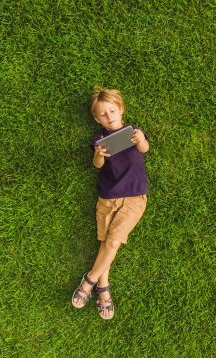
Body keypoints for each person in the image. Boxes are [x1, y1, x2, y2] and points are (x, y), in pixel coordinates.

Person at [71, 87, 149, 320]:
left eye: (112, 111)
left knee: (113, 241)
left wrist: (142, 139)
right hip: (107, 197)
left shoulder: (133, 132)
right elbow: (97, 165)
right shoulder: (99, 139)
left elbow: (145, 149)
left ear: (121, 109)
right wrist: (99, 154)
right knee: (106, 243)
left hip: (134, 197)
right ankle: (104, 287)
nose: (109, 117)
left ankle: (90, 281)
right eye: (103, 115)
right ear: (96, 119)